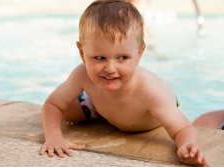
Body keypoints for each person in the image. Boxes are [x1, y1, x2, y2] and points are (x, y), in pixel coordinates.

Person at [39, 1, 209, 166]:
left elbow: (183, 128)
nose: (110, 68)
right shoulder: (81, 74)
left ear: (140, 53)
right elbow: (53, 104)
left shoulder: (150, 91)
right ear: (82, 53)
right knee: (67, 113)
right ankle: (97, 109)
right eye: (100, 58)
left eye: (122, 58)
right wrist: (54, 137)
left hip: (149, 110)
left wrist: (186, 146)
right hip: (101, 103)